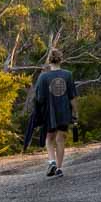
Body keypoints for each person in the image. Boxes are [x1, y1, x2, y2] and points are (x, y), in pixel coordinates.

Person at [27, 48, 76, 177]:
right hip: (64, 112)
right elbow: (72, 97)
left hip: (50, 113)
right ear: (61, 59)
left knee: (49, 138)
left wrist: (38, 114)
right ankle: (59, 169)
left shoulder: (43, 77)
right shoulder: (68, 75)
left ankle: (52, 161)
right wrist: (76, 112)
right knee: (60, 139)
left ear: (49, 60)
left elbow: (39, 98)